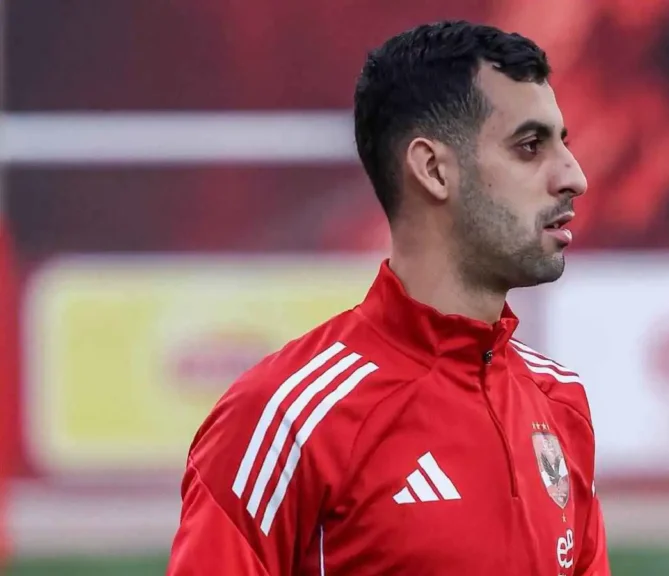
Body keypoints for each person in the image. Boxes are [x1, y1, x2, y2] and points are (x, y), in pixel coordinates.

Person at [166, 20, 610, 575]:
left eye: (564, 143)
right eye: (529, 147)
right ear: (433, 169)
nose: (574, 176)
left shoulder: (560, 402)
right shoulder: (285, 419)